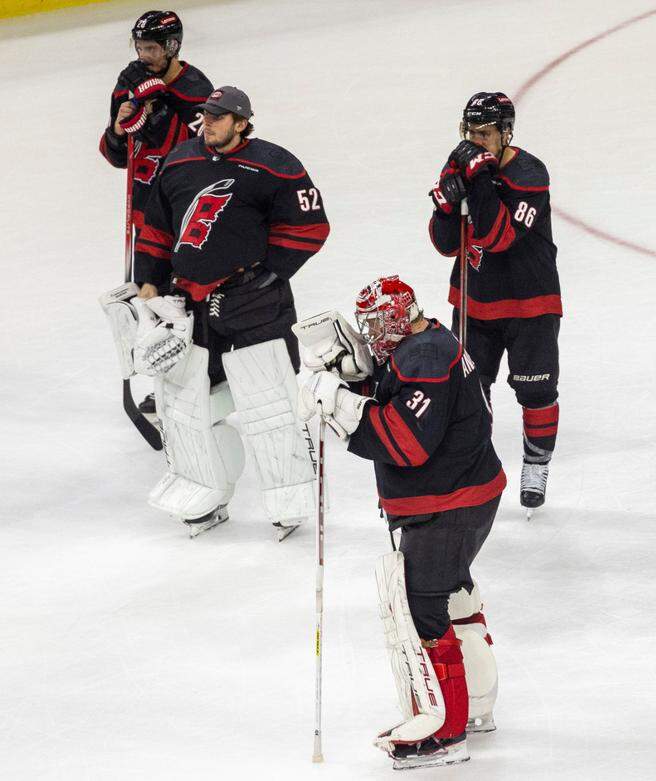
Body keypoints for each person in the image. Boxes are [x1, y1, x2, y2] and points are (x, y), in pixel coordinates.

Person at [296, 276, 505, 769]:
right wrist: (355, 381)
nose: (368, 334)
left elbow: (406, 442)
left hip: (449, 504)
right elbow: (400, 396)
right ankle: (474, 704)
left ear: (396, 317)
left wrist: (342, 405)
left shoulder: (426, 356)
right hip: (464, 496)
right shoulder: (425, 343)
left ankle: (445, 732)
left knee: (421, 608)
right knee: (452, 595)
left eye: (374, 323)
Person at [130, 85, 329, 538]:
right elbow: (157, 228)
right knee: (185, 406)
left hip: (254, 301)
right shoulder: (179, 160)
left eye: (220, 117)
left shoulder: (275, 165)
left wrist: (270, 274)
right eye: (206, 115)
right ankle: (205, 492)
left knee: (270, 402)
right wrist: (149, 282)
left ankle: (288, 498)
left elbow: (311, 225)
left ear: (242, 122)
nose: (209, 123)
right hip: (190, 305)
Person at [428, 91, 561, 516]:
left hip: (530, 305)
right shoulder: (461, 162)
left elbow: (498, 237)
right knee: (468, 390)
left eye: (485, 132)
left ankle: (536, 465)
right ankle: (474, 465)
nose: (476, 140)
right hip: (474, 301)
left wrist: (478, 181)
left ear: (506, 132)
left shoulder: (530, 173)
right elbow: (445, 244)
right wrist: (447, 207)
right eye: (470, 131)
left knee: (535, 391)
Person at [98, 9, 212, 418]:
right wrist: (120, 127)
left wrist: (160, 117)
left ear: (172, 47)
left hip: (182, 213)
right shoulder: (130, 80)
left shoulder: (197, 89)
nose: (143, 55)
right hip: (145, 213)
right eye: (139, 47)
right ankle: (167, 382)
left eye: (150, 47)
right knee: (151, 301)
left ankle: (200, 377)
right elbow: (116, 152)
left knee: (184, 302)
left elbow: (201, 155)